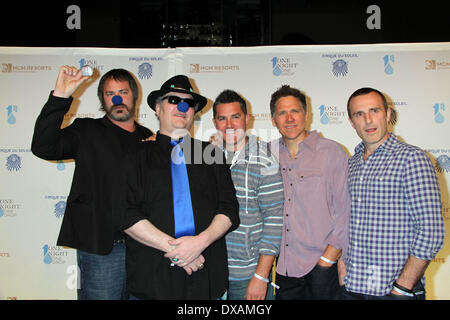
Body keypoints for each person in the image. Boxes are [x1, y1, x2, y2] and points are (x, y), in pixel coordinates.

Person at [31, 66, 154, 299]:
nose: (117, 99)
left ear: (134, 96)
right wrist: (60, 95)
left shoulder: (147, 137)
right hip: (101, 248)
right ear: (102, 100)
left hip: (143, 248)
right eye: (110, 94)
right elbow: (43, 146)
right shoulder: (86, 130)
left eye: (123, 92)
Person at [122, 75, 240, 299]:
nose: (181, 106)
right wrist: (180, 251)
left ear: (193, 112)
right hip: (152, 280)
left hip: (206, 278)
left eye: (188, 102)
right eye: (173, 100)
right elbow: (125, 214)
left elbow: (229, 209)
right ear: (157, 108)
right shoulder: (135, 156)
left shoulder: (212, 154)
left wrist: (199, 244)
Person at [341, 87, 445, 300]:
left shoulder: (412, 159)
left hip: (394, 291)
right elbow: (344, 223)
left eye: (374, 111)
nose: (368, 120)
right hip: (352, 288)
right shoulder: (351, 164)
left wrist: (402, 287)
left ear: (388, 114)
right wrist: (342, 271)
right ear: (352, 121)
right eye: (359, 114)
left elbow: (431, 231)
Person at [269, 85, 350, 300]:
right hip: (283, 270)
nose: (289, 118)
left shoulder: (331, 151)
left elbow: (346, 212)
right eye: (282, 113)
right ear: (273, 119)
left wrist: (327, 262)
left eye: (295, 111)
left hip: (323, 268)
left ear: (306, 114)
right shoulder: (266, 154)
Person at [211, 90, 284, 300]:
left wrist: (261, 276)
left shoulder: (265, 159)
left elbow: (274, 219)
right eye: (222, 118)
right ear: (215, 122)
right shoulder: (207, 157)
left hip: (248, 274)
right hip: (211, 271)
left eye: (235, 116)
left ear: (247, 118)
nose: (230, 125)